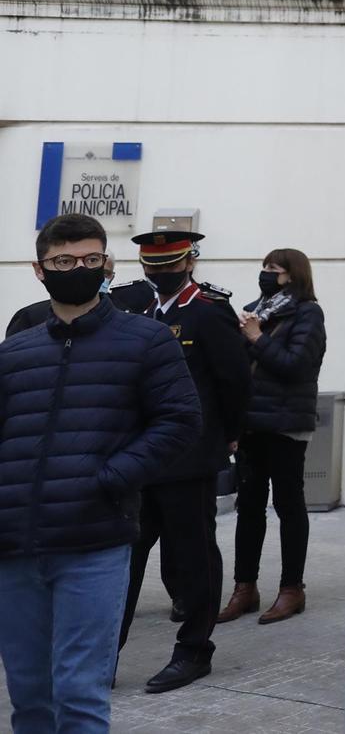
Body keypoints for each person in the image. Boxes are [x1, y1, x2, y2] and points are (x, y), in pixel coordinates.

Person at [0, 215, 200, 734]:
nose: (78, 269)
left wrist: (110, 478)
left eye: (90, 260)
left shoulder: (147, 340)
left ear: (107, 265)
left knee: (80, 695)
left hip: (95, 541)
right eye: (64, 262)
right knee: (30, 697)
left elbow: (179, 421)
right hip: (15, 547)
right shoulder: (15, 351)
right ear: (40, 270)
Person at [115, 227, 251, 695]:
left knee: (194, 557)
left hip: (188, 455)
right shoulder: (131, 308)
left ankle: (194, 649)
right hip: (137, 457)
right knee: (124, 559)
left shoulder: (209, 314)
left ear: (189, 262)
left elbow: (234, 383)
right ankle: (102, 652)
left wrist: (228, 436)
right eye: (153, 267)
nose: (161, 274)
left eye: (170, 266)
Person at [219, 248, 327, 626]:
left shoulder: (307, 313)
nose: (265, 274)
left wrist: (256, 337)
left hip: (285, 425)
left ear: (293, 275)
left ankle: (291, 589)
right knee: (248, 508)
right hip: (250, 424)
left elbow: (296, 366)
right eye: (264, 267)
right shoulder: (255, 309)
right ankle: (244, 588)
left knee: (288, 505)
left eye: (274, 269)